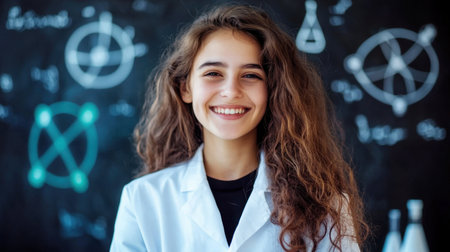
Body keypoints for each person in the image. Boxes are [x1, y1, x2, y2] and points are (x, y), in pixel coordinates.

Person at [110, 4, 368, 252]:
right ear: (186, 88)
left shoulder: (324, 205)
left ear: (272, 90)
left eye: (250, 75)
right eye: (213, 73)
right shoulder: (143, 199)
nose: (231, 91)